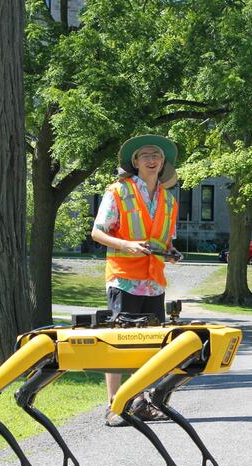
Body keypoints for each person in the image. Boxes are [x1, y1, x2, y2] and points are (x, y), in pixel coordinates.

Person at [91, 134, 182, 427]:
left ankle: (140, 402)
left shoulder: (168, 199)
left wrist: (171, 254)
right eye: (145, 156)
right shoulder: (118, 191)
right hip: (124, 278)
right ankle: (114, 405)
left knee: (150, 344)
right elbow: (97, 232)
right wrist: (126, 244)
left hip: (153, 279)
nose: (152, 160)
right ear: (135, 162)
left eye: (156, 155)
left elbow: (163, 242)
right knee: (119, 342)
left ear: (163, 162)